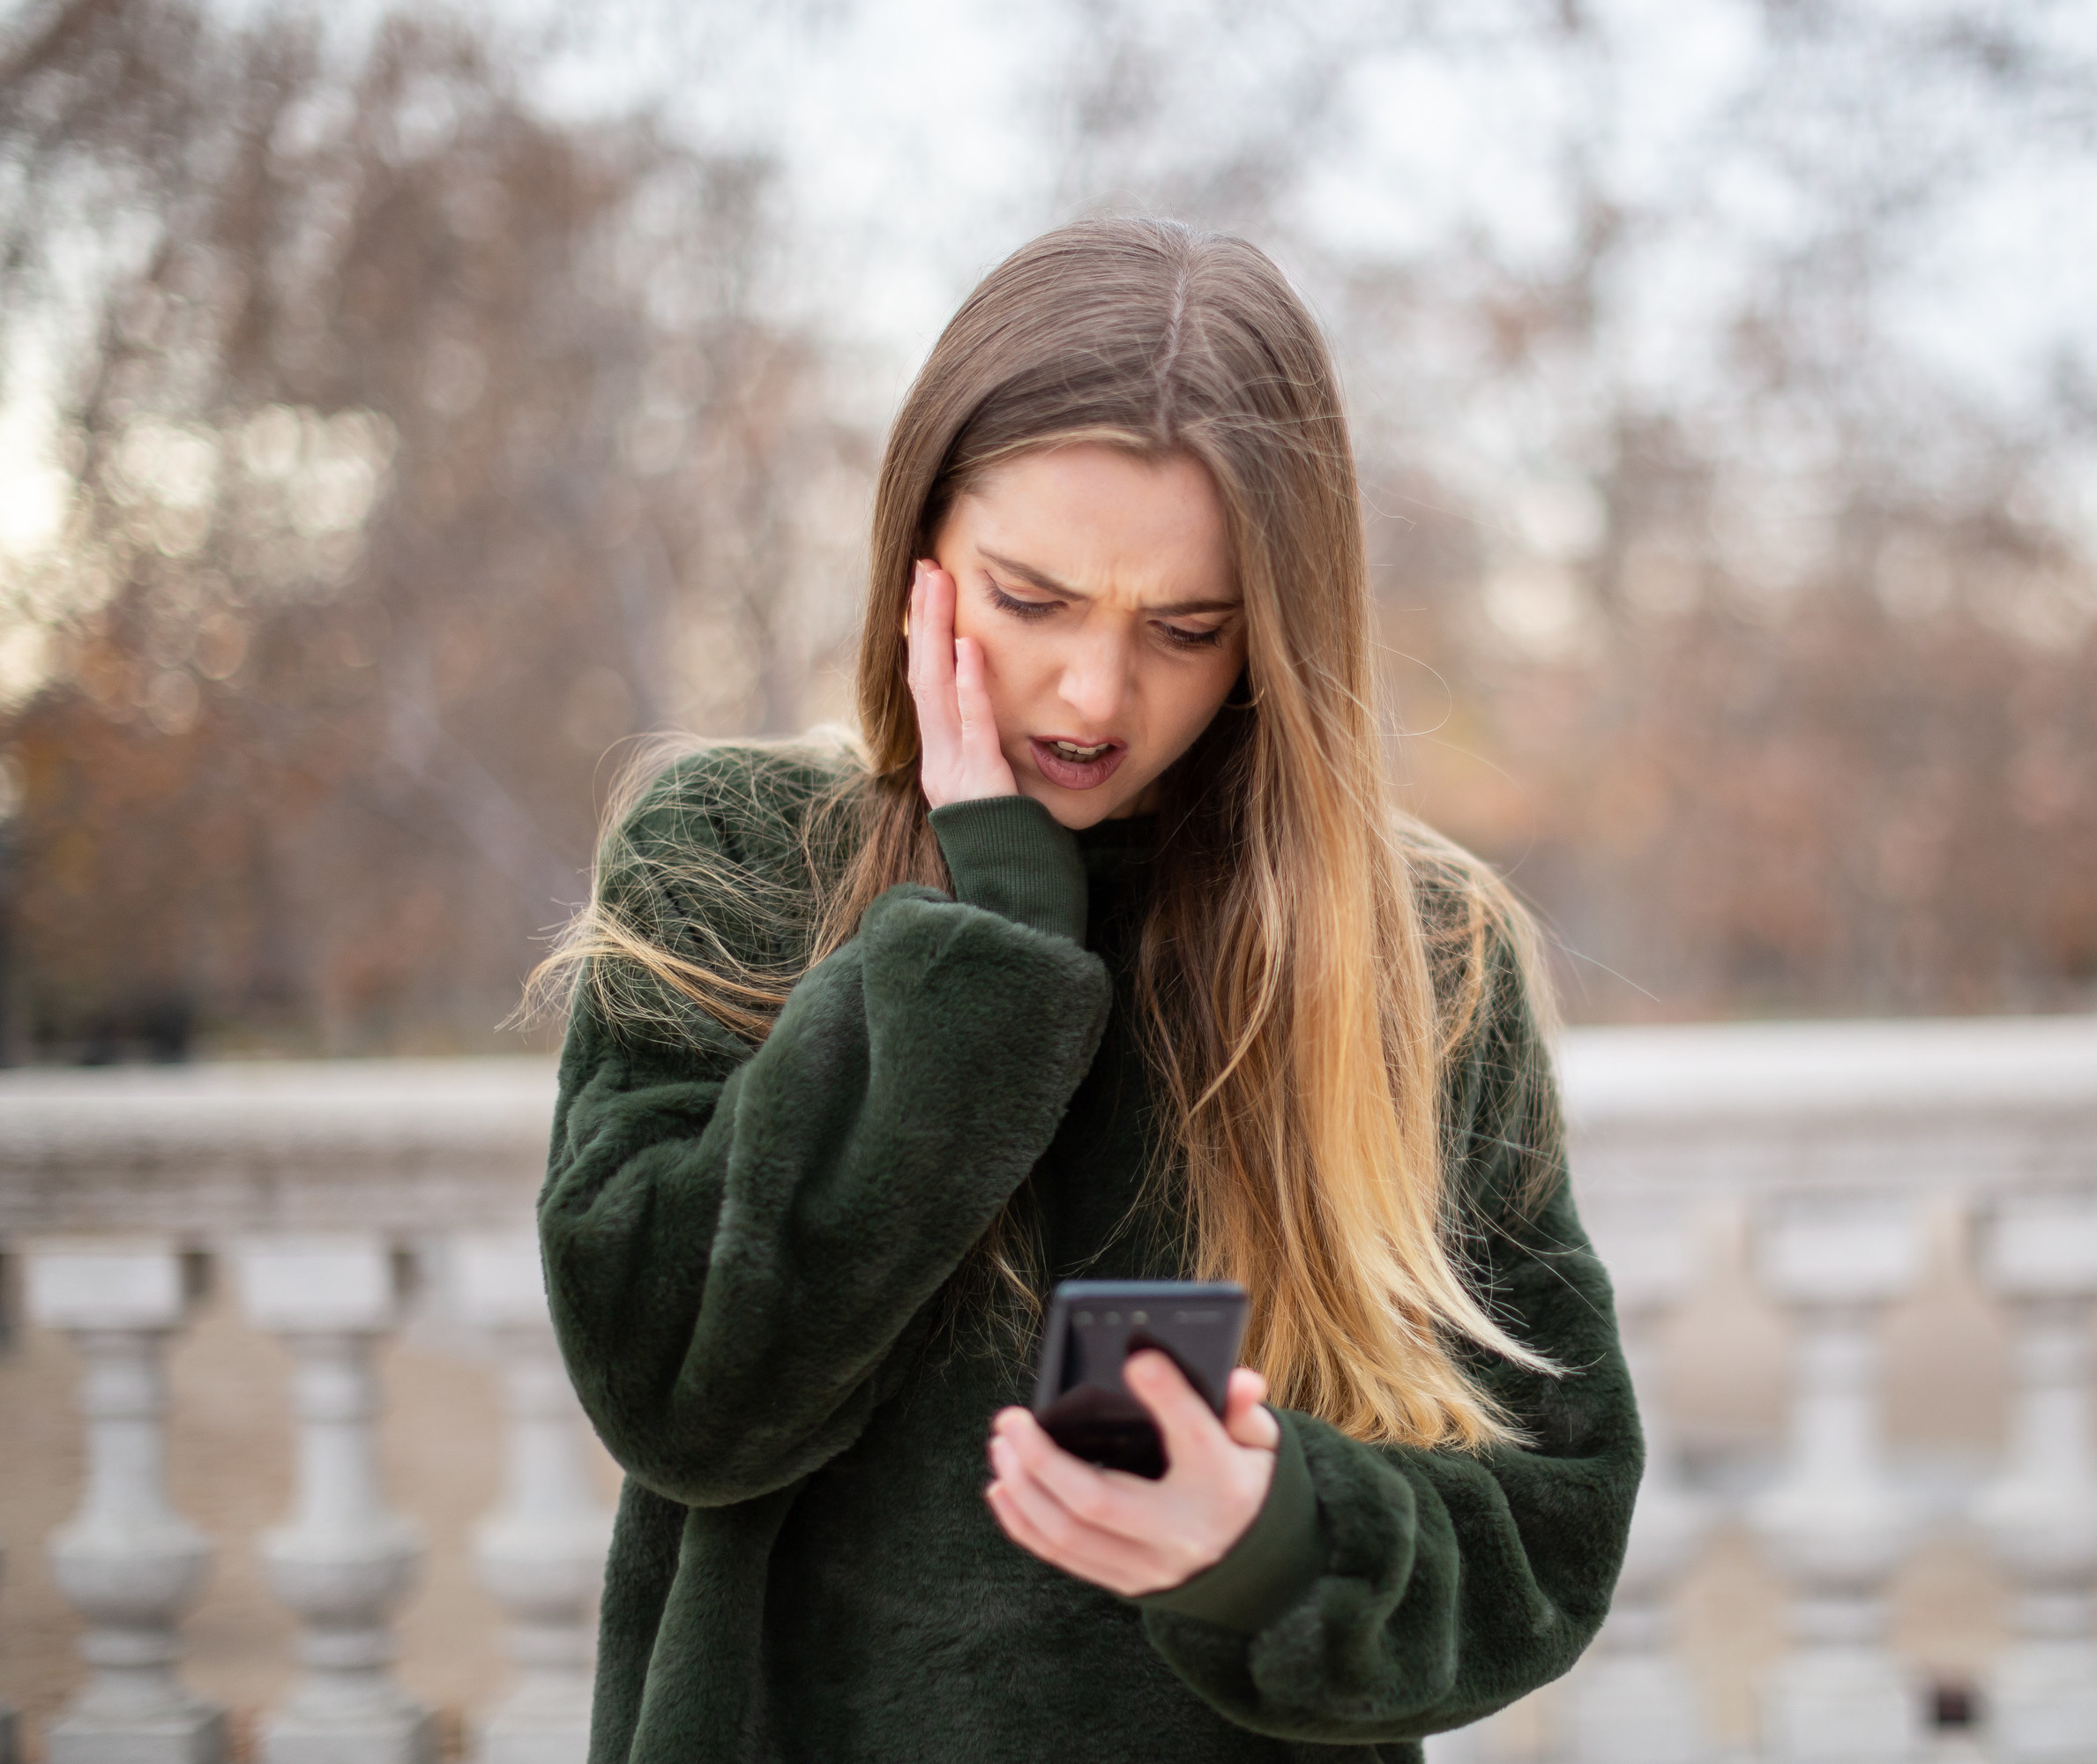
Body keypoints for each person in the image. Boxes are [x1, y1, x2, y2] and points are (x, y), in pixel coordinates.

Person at [531, 217, 1642, 1764]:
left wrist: (1265, 1541)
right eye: (1035, 599)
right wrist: (983, 944)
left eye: (1185, 629)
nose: (1095, 695)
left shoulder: (1419, 954)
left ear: (1276, 633)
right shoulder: (734, 858)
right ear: (919, 556)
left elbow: (1548, 1522)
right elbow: (680, 1392)